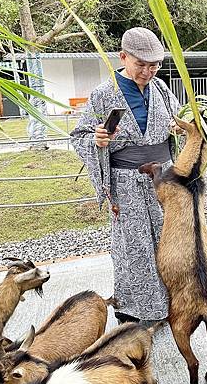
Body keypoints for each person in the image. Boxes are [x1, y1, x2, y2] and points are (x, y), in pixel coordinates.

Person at [70, 27, 181, 324]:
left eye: (154, 64)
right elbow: (78, 135)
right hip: (126, 182)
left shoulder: (161, 88)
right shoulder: (104, 94)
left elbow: (178, 120)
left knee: (167, 240)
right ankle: (135, 310)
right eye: (141, 64)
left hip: (163, 181)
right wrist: (96, 140)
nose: (148, 71)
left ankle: (173, 304)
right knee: (134, 247)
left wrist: (181, 128)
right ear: (123, 57)